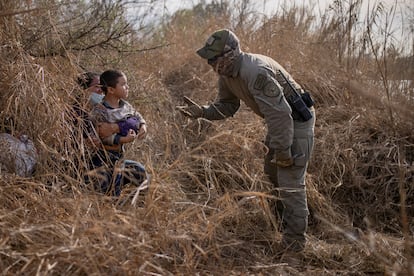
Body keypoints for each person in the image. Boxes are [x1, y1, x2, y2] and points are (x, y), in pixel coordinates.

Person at [177, 29, 315, 254]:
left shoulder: (255, 71)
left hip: (296, 122)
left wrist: (282, 150)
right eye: (209, 59)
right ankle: (283, 222)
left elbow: (280, 113)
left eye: (214, 58)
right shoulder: (227, 74)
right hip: (280, 123)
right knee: (272, 172)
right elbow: (227, 106)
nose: (210, 63)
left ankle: (295, 244)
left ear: (229, 53)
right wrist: (202, 112)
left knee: (290, 181)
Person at [89, 69, 148, 196]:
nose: (127, 87)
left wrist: (143, 124)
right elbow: (101, 137)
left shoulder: (125, 106)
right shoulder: (100, 111)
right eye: (123, 84)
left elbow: (136, 116)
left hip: (119, 157)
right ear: (111, 90)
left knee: (141, 173)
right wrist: (121, 140)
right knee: (109, 190)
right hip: (103, 158)